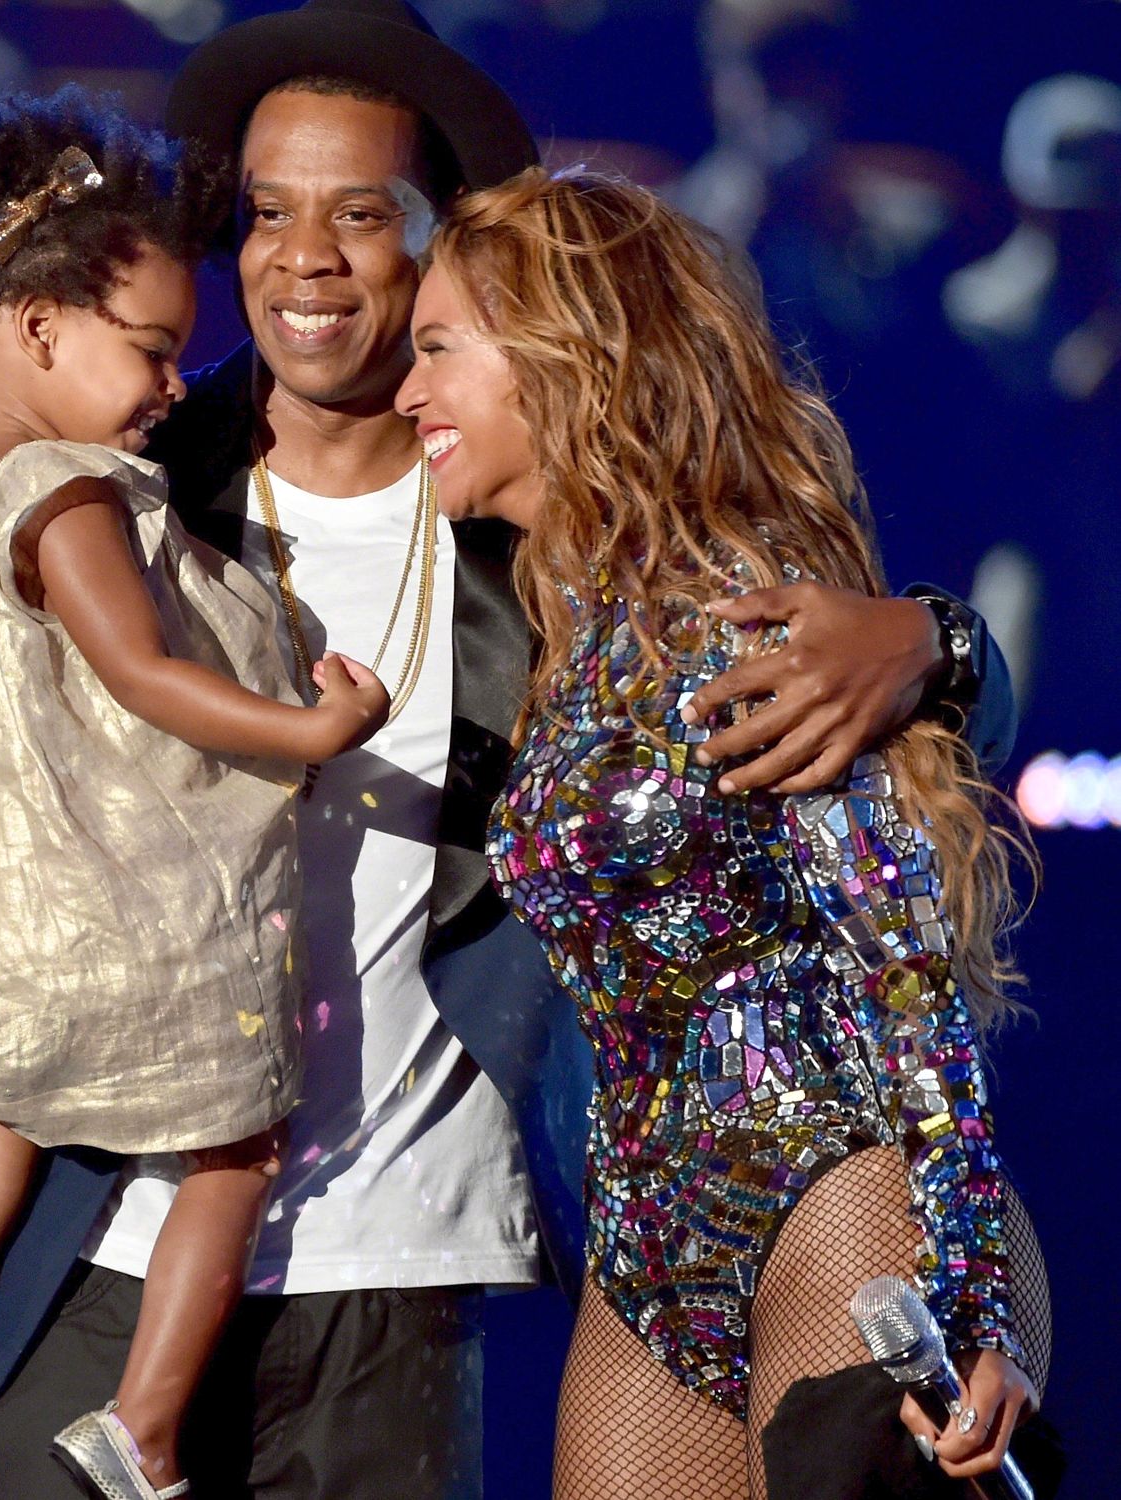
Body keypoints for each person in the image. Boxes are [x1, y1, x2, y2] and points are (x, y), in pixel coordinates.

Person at [0, 6, 1020, 1496]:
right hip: (125, 1228)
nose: (304, 257)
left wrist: (939, 644)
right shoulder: (129, 493)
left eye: (361, 216)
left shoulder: (543, 549)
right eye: (265, 212)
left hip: (430, 1252)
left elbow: (888, 852)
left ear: (443, 254)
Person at [396, 167, 1053, 1499]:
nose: (408, 393)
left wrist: (969, 1286)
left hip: (846, 1192)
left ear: (555, 353)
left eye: (437, 349)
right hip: (649, 1247)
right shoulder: (577, 627)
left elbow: (904, 962)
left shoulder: (736, 604)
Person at [0, 87, 388, 1500]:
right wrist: (307, 732)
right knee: (238, 1142)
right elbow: (141, 674)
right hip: (103, 909)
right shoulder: (71, 493)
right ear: (43, 330)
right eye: (155, 351)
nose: (174, 385)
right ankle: (144, 1429)